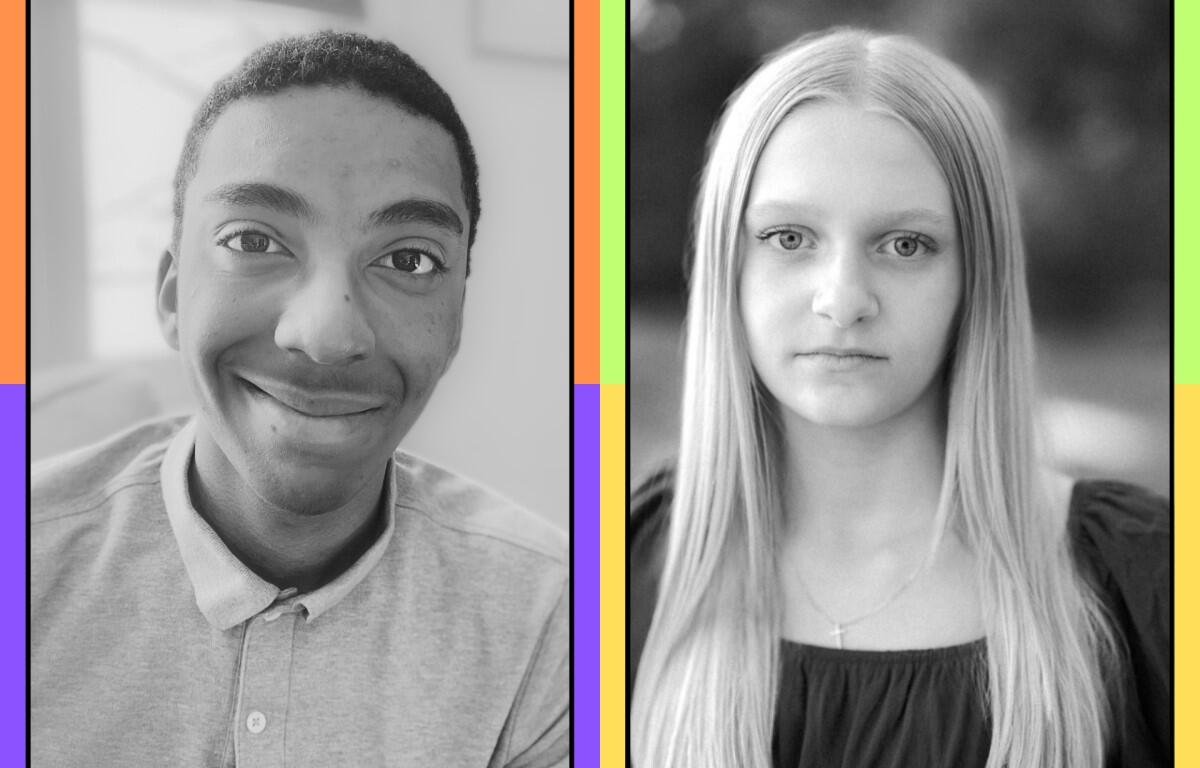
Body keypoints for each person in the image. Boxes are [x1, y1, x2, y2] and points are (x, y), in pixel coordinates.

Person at [629, 28, 1169, 768]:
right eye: (788, 237)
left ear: (976, 278)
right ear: (729, 263)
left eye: (905, 245)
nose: (843, 300)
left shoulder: (1146, 580)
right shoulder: (622, 568)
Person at [32, 31, 568, 767]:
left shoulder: (552, 617)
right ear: (171, 294)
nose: (326, 335)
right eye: (253, 242)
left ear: (456, 323)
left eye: (409, 259)